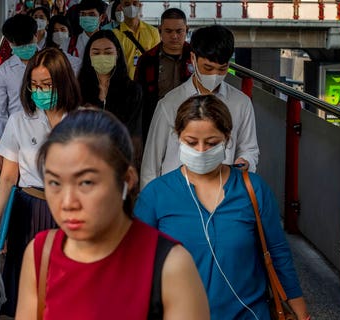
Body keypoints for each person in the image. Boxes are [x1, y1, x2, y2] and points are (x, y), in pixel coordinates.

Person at [16, 108, 210, 319]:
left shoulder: (170, 266)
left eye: (86, 182)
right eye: (54, 182)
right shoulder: (40, 254)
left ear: (127, 179)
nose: (68, 202)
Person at [135, 95, 310, 320]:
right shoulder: (156, 195)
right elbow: (136, 264)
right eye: (191, 142)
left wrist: (299, 308)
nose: (201, 150)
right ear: (178, 137)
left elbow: (277, 252)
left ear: (227, 139)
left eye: (211, 143)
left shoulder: (253, 190)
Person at [0, 47, 81, 316]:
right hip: (29, 210)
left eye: (47, 85)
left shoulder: (83, 120)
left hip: (71, 210)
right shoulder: (19, 120)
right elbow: (7, 177)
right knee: (27, 290)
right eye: (34, 85)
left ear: (63, 84)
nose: (40, 91)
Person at [141, 25, 259, 188]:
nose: (214, 75)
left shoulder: (241, 103)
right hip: (176, 197)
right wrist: (149, 206)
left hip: (222, 196)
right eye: (208, 68)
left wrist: (245, 161)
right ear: (193, 58)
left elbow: (249, 149)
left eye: (222, 69)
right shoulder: (170, 104)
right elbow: (151, 165)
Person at [78, 30, 142, 167]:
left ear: (117, 54)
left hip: (119, 164)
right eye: (96, 53)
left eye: (108, 52)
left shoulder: (132, 90)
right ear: (88, 56)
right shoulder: (78, 89)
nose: (102, 57)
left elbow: (134, 133)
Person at [134, 8, 193, 144]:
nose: (174, 36)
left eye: (179, 31)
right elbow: (139, 99)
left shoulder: (196, 56)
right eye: (168, 31)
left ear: (187, 29)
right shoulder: (147, 60)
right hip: (155, 125)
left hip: (191, 125)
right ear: (160, 30)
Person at [0, 14, 38, 169]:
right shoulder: (4, 71)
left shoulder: (50, 63)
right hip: (17, 138)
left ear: (36, 36)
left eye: (27, 42)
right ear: (9, 43)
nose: (24, 47)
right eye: (19, 44)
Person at [112, 0, 160, 79]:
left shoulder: (153, 31)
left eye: (134, 3)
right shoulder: (114, 34)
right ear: (121, 7)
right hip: (124, 84)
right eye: (127, 4)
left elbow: (157, 61)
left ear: (139, 5)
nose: (131, 7)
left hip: (146, 83)